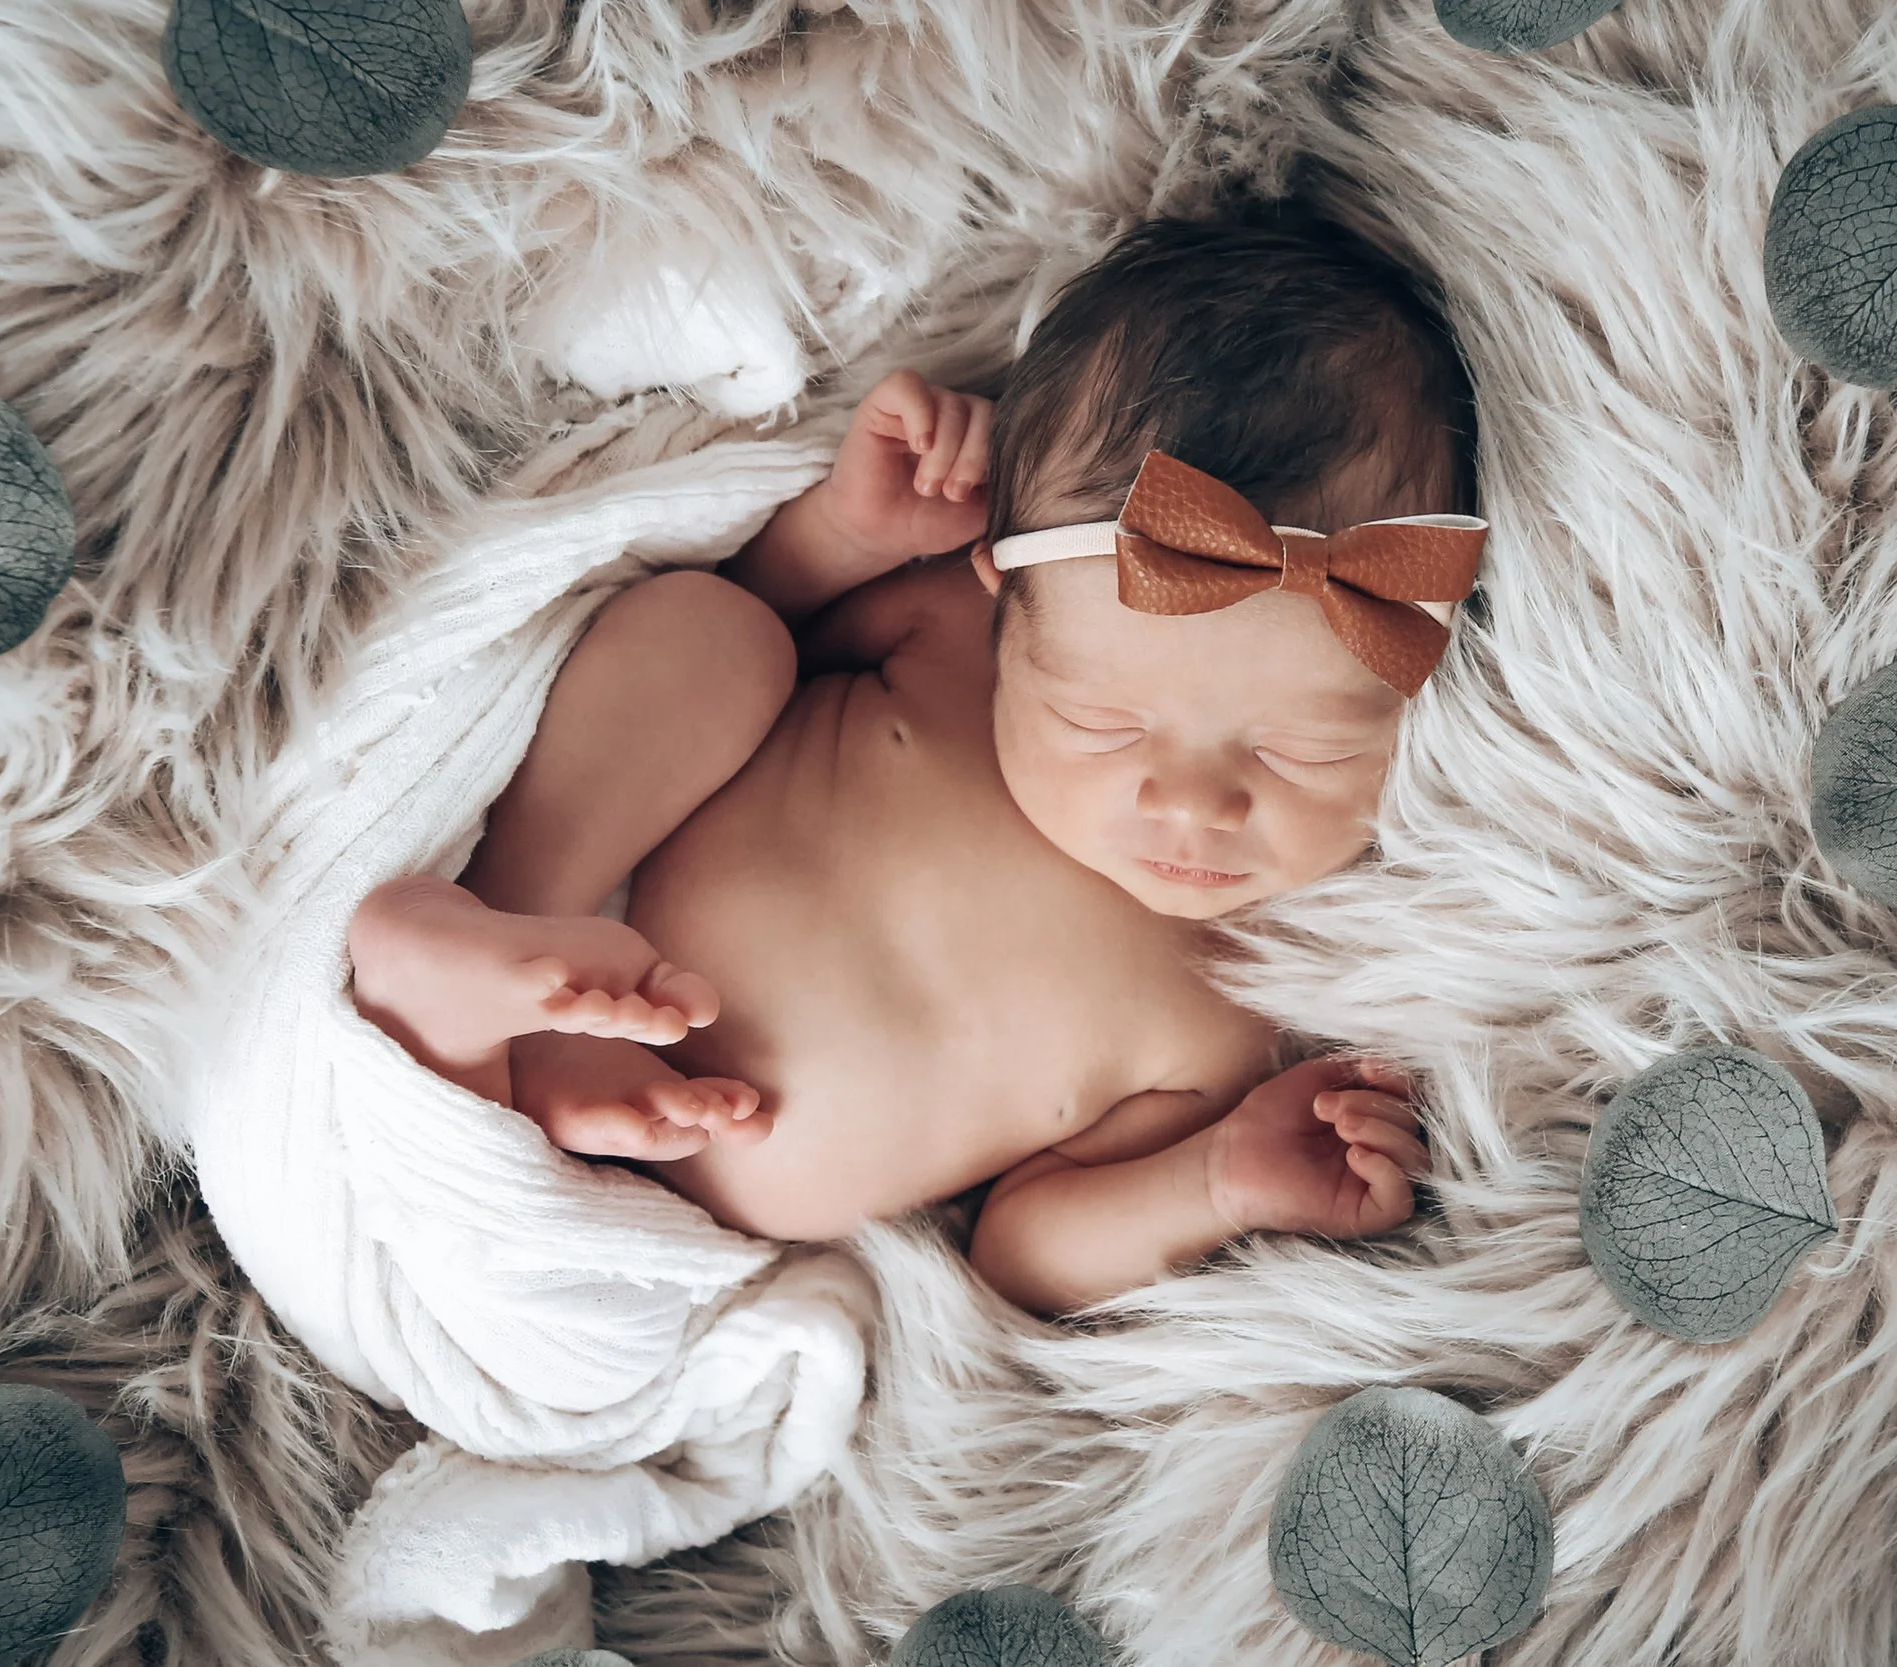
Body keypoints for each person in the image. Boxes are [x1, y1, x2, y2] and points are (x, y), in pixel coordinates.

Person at [347, 209, 1485, 1318]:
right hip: (603, 880)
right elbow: (760, 612)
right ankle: (508, 929)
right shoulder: (950, 636)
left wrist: (1217, 1180)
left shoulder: (1237, 1019)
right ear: (1009, 608)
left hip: (664, 1237)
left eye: (1304, 748)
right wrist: (846, 537)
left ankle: (457, 1035)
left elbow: (1022, 1242)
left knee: (517, 1296)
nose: (1189, 803)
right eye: (1102, 721)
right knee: (711, 631)